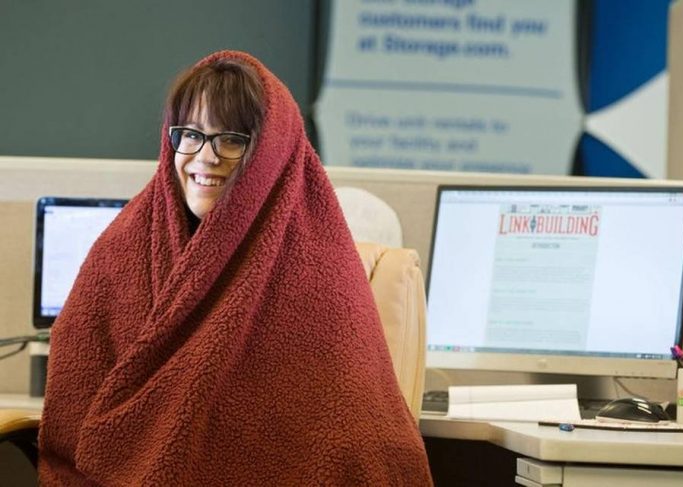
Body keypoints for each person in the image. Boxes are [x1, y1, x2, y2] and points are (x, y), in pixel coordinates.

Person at [38, 50, 433, 485]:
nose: (204, 157)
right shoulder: (121, 250)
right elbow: (73, 411)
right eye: (189, 135)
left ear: (268, 157)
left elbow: (358, 441)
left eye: (231, 139)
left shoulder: (320, 276)